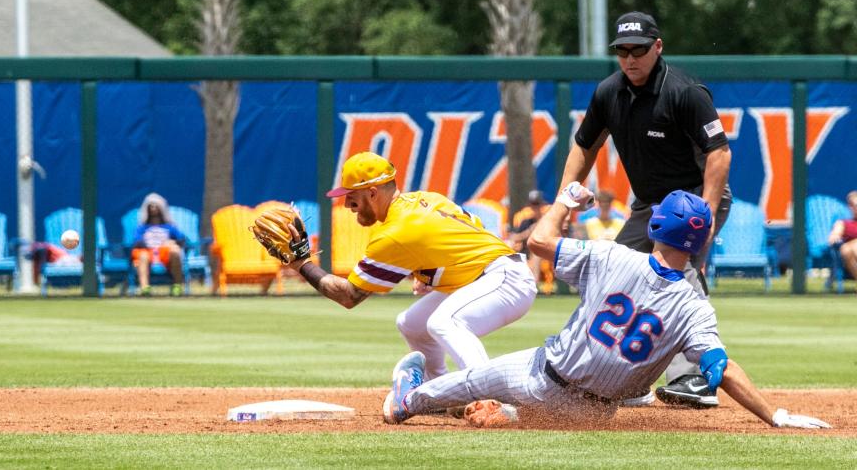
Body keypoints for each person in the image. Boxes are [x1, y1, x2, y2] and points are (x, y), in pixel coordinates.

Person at [382, 184, 831, 431]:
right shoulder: (696, 309)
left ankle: (407, 400)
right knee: (536, 411)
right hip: (596, 414)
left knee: (462, 384)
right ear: (701, 240)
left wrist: (565, 203)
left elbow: (538, 242)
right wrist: (775, 415)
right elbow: (721, 369)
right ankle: (510, 416)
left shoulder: (612, 255)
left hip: (541, 376)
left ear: (655, 225)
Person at [558, 11, 732, 408]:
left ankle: (695, 378)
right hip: (650, 205)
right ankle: (624, 378)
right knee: (615, 273)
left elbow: (719, 153)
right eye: (622, 51)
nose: (630, 58)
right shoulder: (608, 92)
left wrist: (703, 214)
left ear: (658, 46)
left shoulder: (685, 92)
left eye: (638, 49)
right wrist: (566, 195)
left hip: (694, 198)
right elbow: (585, 145)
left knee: (677, 274)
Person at [286, 151, 537, 380]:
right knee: (412, 323)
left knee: (444, 322)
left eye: (352, 197)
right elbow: (474, 227)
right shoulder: (426, 199)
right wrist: (431, 267)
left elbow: (349, 296)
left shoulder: (395, 232)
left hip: (506, 280)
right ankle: (438, 387)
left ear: (373, 193)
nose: (347, 205)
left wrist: (302, 264)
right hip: (489, 274)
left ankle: (487, 393)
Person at [131, 193, 186, 296]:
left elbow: (182, 240)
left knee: (175, 251)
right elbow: (136, 242)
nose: (153, 209)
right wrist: (148, 245)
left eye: (156, 206)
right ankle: (145, 288)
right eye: (151, 206)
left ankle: (177, 286)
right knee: (142, 255)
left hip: (164, 252)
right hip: (147, 252)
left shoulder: (169, 227)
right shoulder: (142, 227)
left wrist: (172, 242)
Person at [507, 190, 555, 295]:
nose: (535, 208)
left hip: (546, 254)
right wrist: (529, 231)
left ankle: (534, 286)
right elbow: (514, 237)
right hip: (527, 253)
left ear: (542, 204)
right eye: (533, 205)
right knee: (509, 246)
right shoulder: (527, 221)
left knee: (536, 254)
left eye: (537, 204)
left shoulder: (548, 220)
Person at [828, 190, 857, 286]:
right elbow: (833, 237)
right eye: (854, 205)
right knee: (845, 249)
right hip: (849, 255)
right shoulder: (843, 223)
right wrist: (835, 236)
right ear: (850, 207)